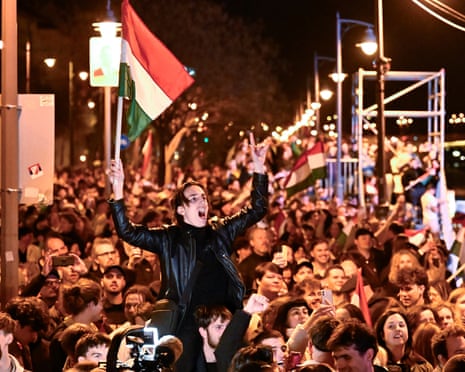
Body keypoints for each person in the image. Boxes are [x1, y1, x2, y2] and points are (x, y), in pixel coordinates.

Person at [108, 133, 269, 371]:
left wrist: (258, 167)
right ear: (182, 210)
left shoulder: (221, 230)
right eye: (194, 199)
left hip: (222, 319)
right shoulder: (168, 238)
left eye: (203, 197)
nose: (202, 202)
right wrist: (118, 191)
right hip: (186, 321)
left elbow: (257, 209)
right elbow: (127, 232)